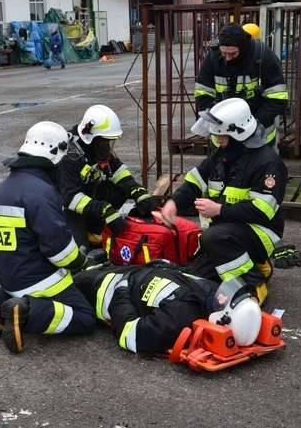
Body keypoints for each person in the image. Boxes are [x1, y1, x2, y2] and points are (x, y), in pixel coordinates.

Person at [0, 121, 97, 354]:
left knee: (31, 288)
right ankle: (25, 312)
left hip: (9, 277)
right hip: (36, 280)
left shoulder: (6, 187)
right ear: (53, 153)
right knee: (84, 317)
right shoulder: (41, 192)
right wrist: (83, 262)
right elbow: (60, 252)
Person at [160, 98, 288, 305]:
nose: (216, 140)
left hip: (261, 230)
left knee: (213, 238)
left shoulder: (268, 164)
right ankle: (256, 264)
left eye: (221, 136)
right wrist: (173, 202)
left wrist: (219, 209)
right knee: (197, 275)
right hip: (228, 228)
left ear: (238, 135)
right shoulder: (223, 156)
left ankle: (254, 283)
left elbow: (261, 211)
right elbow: (194, 181)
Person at [74, 261, 262, 354]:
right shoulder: (213, 293)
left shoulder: (178, 319)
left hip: (103, 289)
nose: (222, 295)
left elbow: (131, 334)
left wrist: (121, 291)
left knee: (69, 278)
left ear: (223, 321)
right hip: (133, 271)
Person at [59, 105, 155, 248]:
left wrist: (137, 191)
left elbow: (118, 171)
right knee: (80, 250)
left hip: (87, 198)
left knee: (120, 189)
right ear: (90, 136)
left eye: (108, 141)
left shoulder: (95, 147)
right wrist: (104, 210)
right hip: (66, 209)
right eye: (104, 141)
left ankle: (94, 229)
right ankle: (80, 235)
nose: (107, 145)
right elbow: (70, 198)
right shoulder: (70, 155)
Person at [194, 23, 288, 147]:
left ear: (243, 48)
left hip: (259, 138)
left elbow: (278, 98)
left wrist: (252, 124)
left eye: (233, 54)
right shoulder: (213, 58)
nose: (227, 58)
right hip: (224, 140)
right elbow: (202, 95)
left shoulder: (263, 56)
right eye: (224, 53)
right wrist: (219, 122)